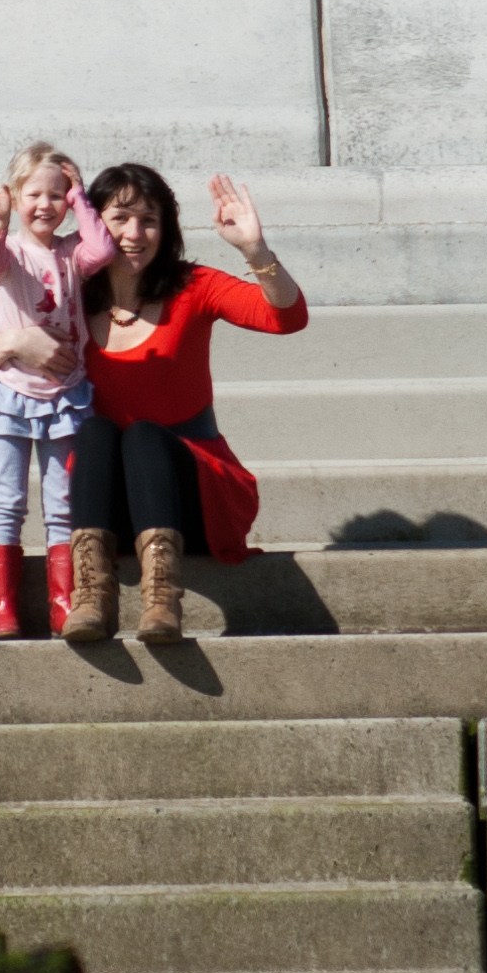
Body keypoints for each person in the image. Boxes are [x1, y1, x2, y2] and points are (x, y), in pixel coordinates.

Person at [66, 162, 308, 647]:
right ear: (93, 223)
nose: (135, 234)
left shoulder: (193, 286)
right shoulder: (68, 298)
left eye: (149, 220)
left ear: (167, 230)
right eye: (120, 218)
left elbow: (286, 317)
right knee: (94, 433)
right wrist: (14, 343)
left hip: (197, 497)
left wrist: (254, 250)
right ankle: (90, 595)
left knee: (143, 435)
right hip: (110, 502)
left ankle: (162, 600)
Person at [0, 144, 116, 641]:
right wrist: (0, 219)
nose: (45, 205)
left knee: (62, 504)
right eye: (34, 194)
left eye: (56, 195)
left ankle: (63, 600)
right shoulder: (9, 253)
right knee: (8, 500)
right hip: (11, 392)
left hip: (64, 395)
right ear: (15, 196)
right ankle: (2, 604)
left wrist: (81, 198)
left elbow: (103, 252)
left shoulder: (72, 252)